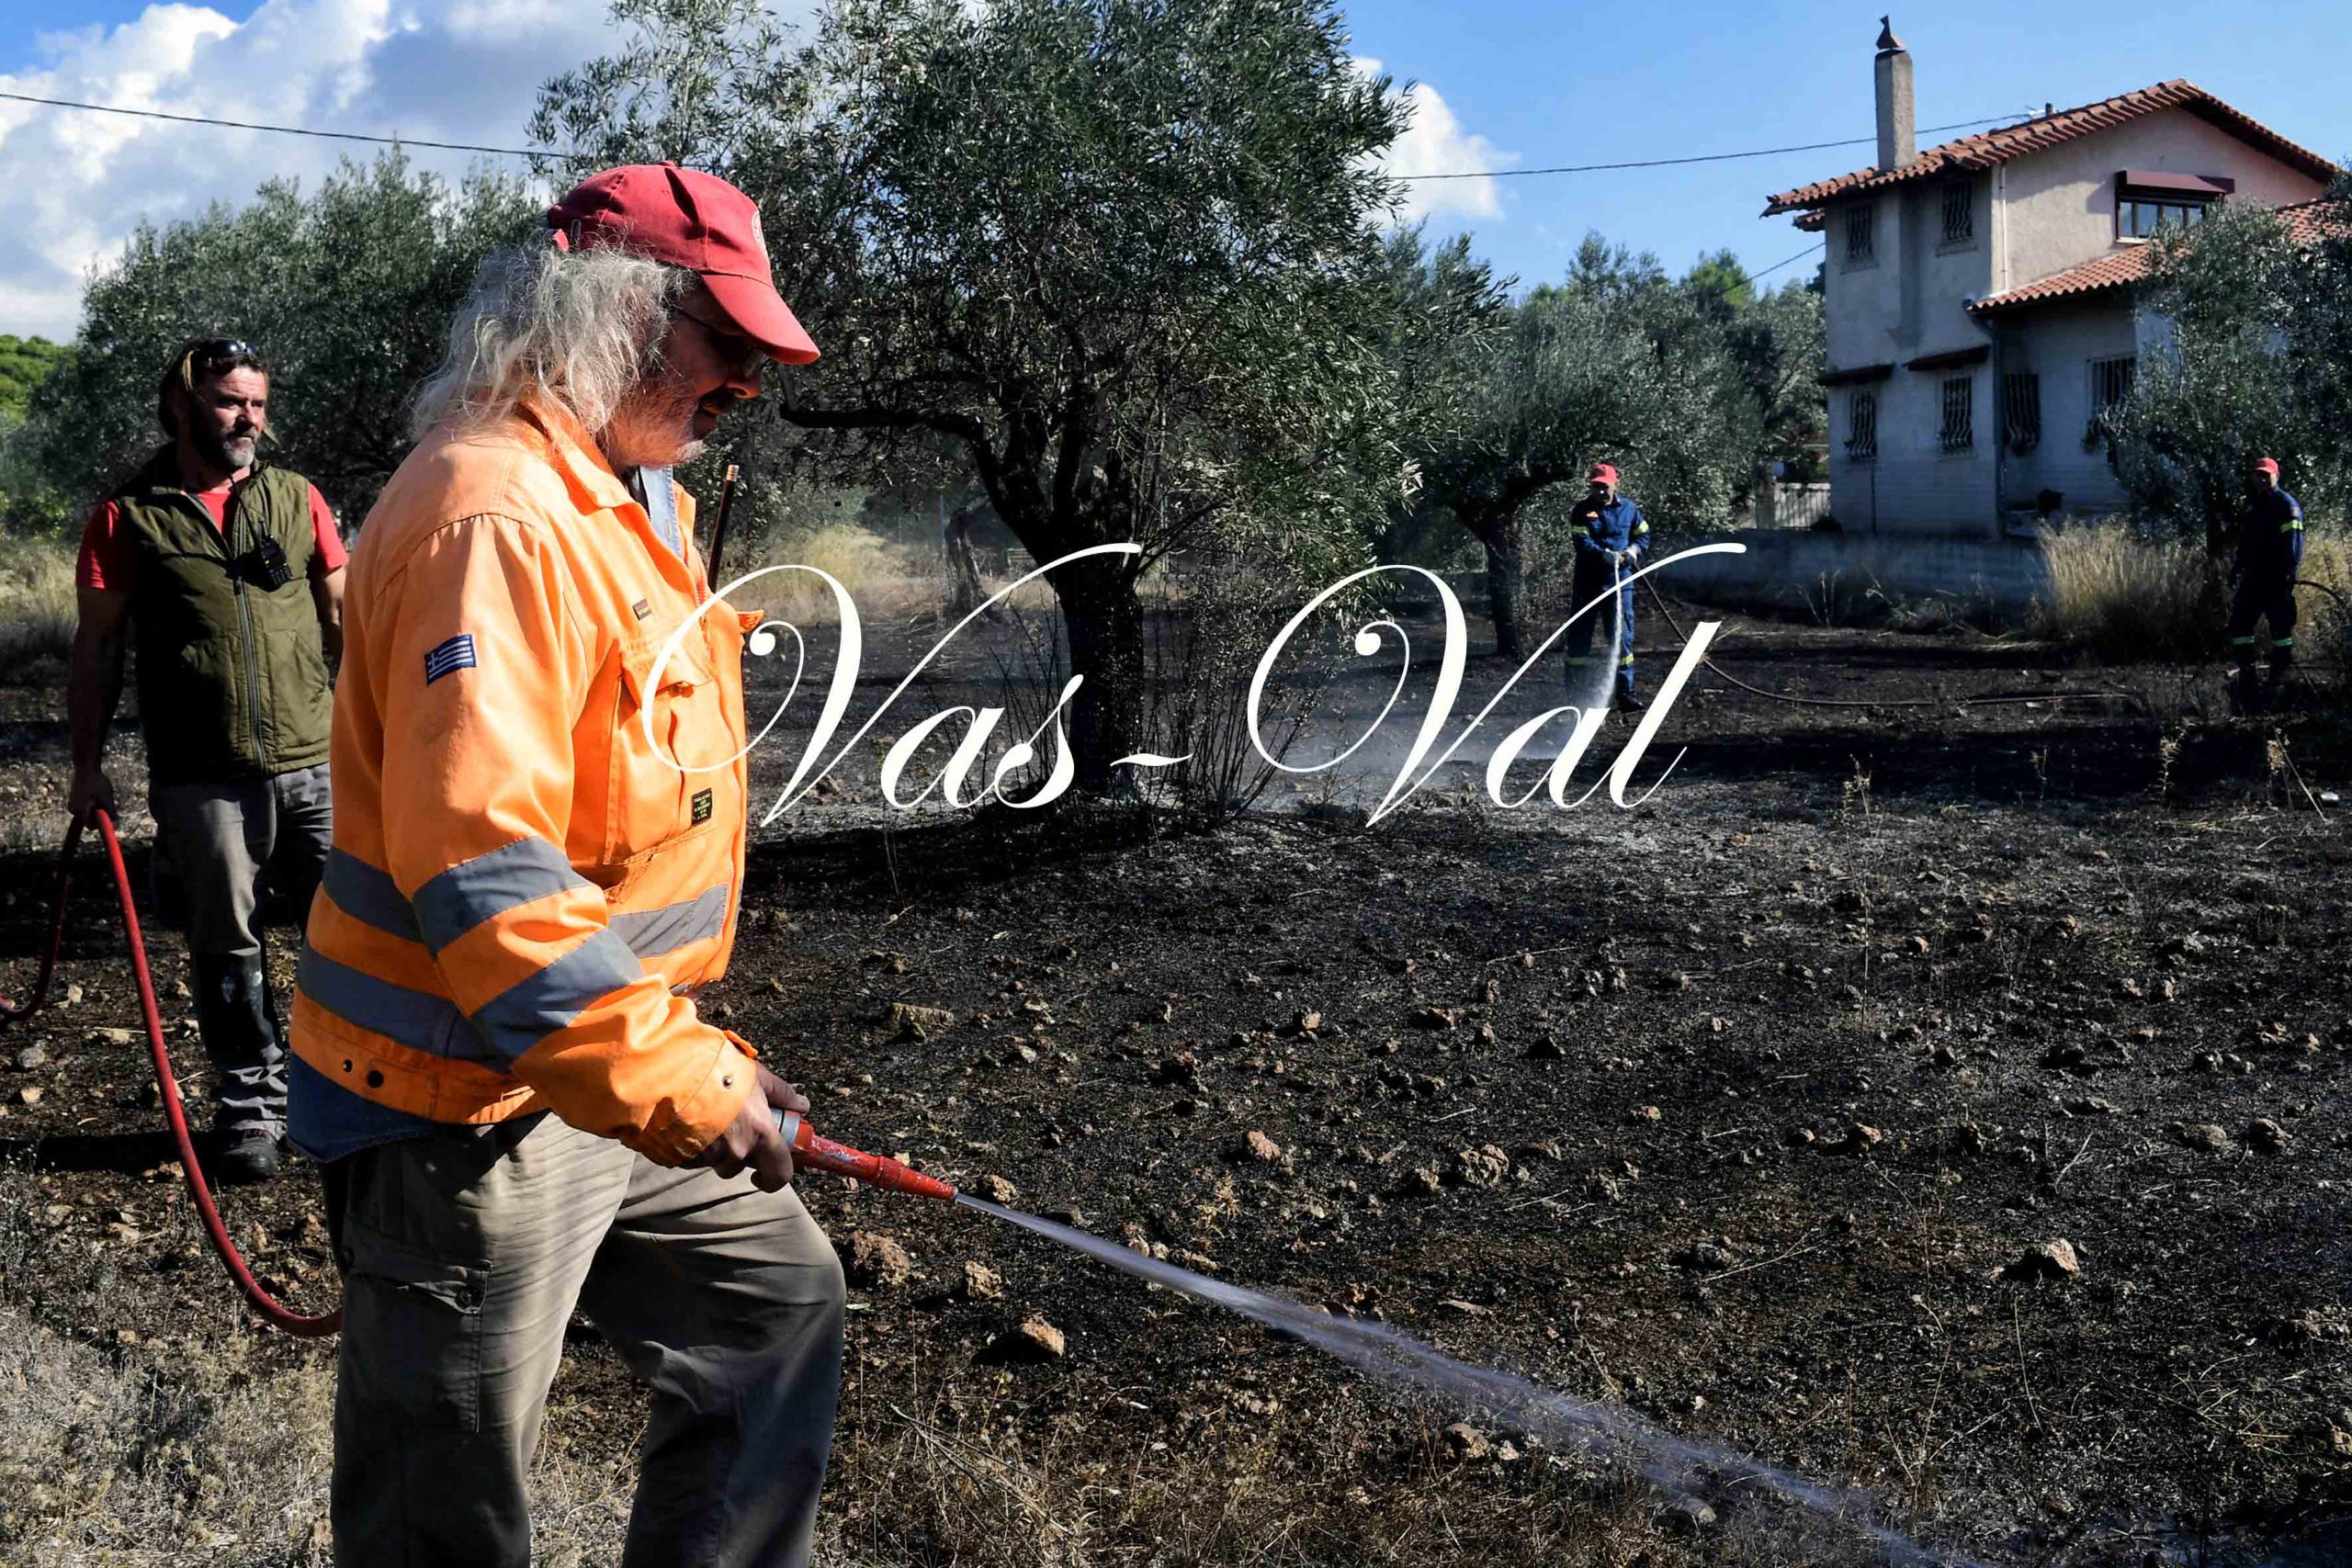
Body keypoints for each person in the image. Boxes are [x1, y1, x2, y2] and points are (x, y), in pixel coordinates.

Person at [288, 163, 842, 1568]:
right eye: (724, 343)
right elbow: (489, 861)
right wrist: (677, 1074)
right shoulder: (496, 513)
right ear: (617, 313)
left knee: (775, 1304)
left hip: (587, 1066)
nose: (744, 386)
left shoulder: (619, 495)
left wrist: (681, 1052)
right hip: (458, 1103)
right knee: (444, 1511)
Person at [68, 337, 346, 1183]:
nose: (248, 419)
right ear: (183, 405)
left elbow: (347, 623)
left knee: (351, 930)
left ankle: (344, 1092)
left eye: (257, 403)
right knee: (226, 942)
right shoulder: (128, 516)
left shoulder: (297, 498)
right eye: (230, 401)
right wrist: (87, 766)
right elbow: (98, 649)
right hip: (202, 774)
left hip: (315, 761)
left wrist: (381, 735)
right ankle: (252, 1104)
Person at [1562, 461, 1651, 712]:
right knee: (1580, 641)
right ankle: (1576, 696)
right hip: (1588, 585)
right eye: (1596, 487)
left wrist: (1634, 550)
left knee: (1622, 639)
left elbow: (1643, 534)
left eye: (1604, 486)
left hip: (1620, 585)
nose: (1600, 491)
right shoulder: (1582, 510)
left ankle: (1625, 694)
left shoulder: (1629, 510)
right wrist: (1603, 555)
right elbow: (1581, 540)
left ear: (1615, 484)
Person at [2226, 456, 2303, 714]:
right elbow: (2245, 544)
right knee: (2240, 625)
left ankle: (2276, 682)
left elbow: (2294, 542)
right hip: (2252, 579)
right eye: (2258, 474)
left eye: (2266, 475)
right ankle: (2247, 679)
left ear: (2276, 476)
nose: (2262, 479)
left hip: (2276, 580)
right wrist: (2237, 568)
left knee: (2281, 632)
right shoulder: (2252, 506)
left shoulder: (2286, 505)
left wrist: (2287, 573)